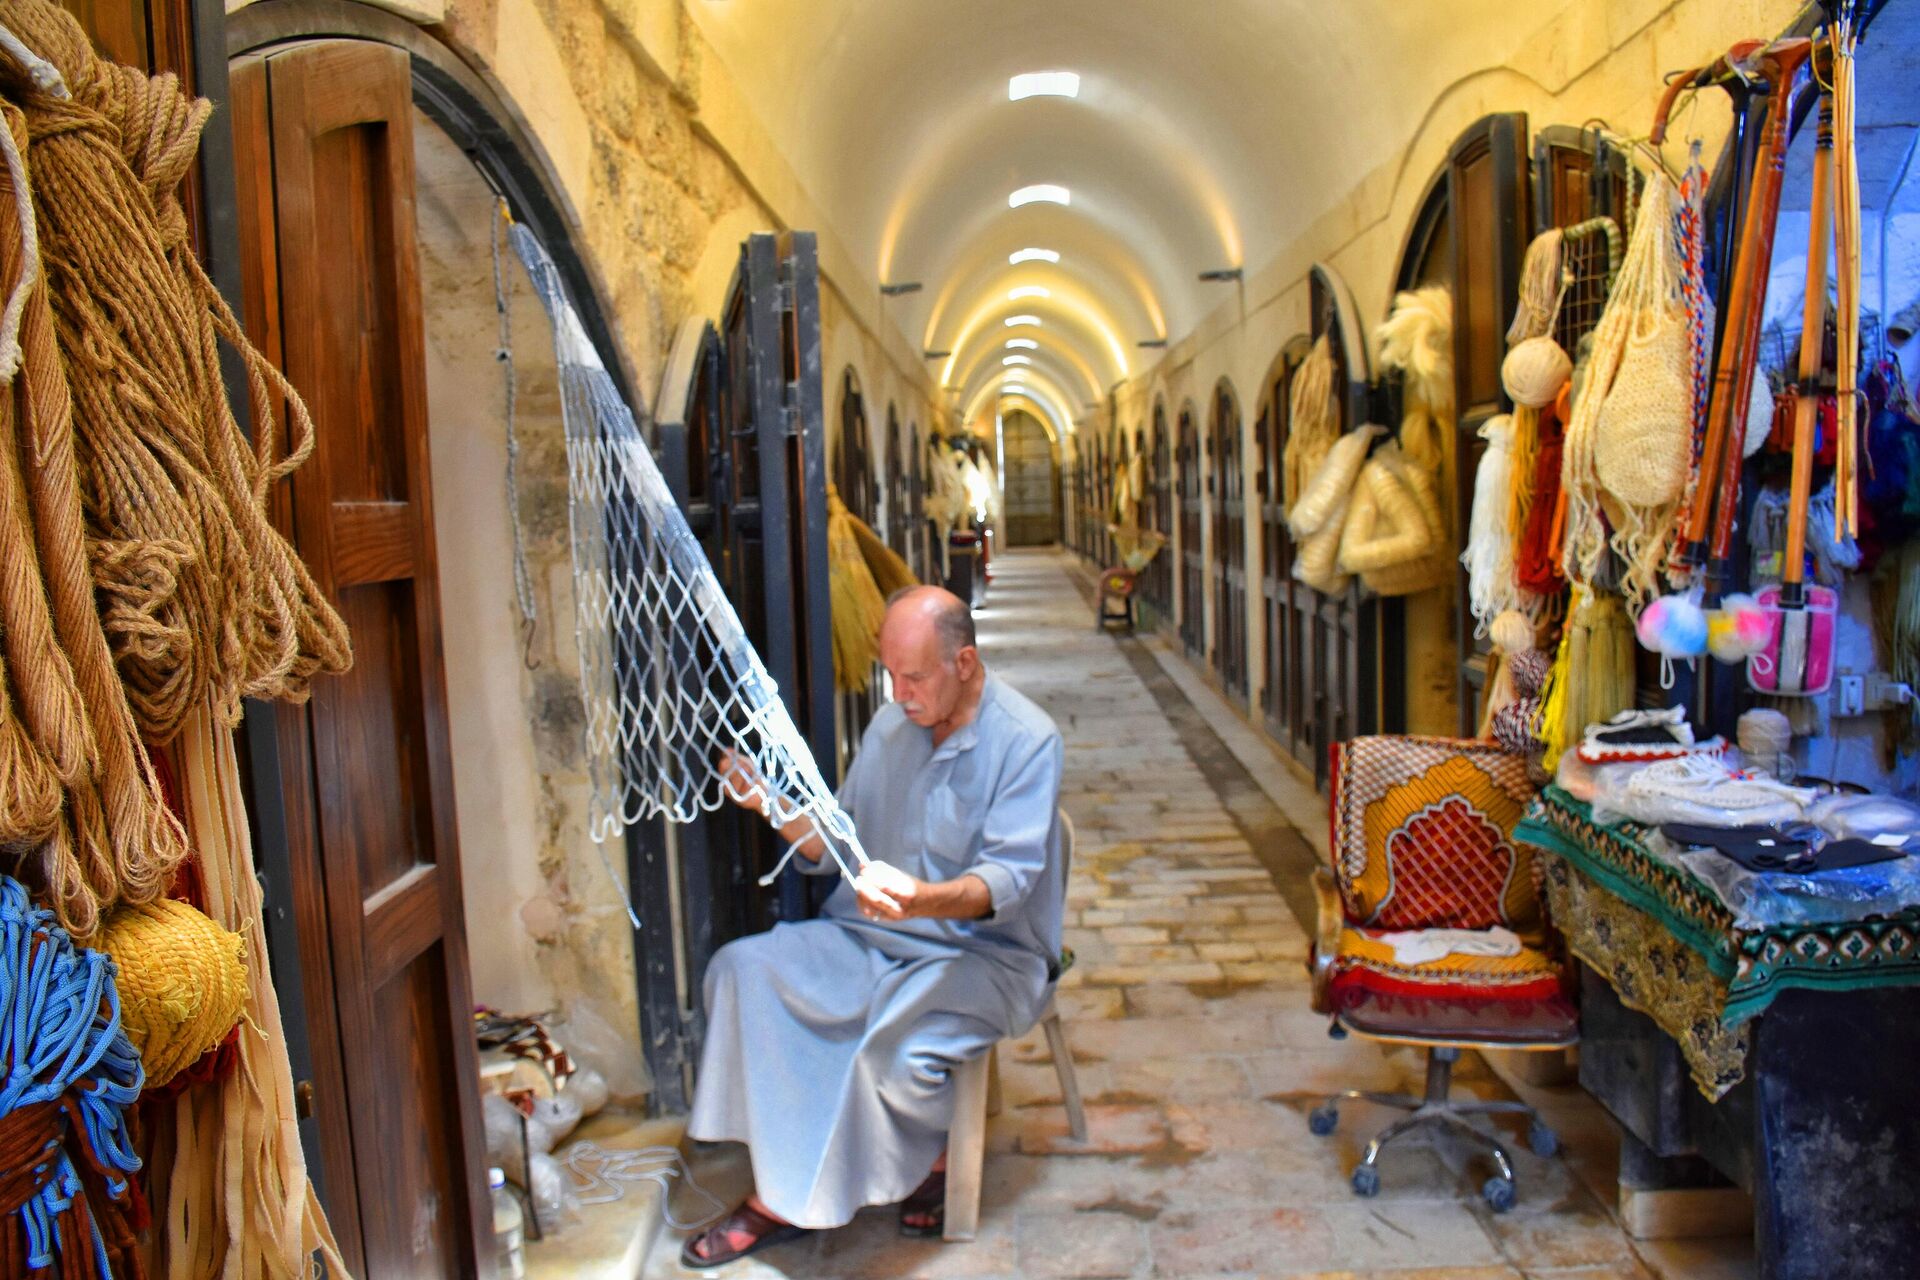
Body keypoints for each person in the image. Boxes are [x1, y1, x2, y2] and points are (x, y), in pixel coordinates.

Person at [680, 585, 1065, 1266]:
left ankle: (795, 1198)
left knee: (886, 1056)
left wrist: (920, 899)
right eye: (890, 673)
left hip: (985, 957)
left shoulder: (1027, 741)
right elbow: (836, 844)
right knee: (741, 971)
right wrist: (767, 801)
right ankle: (789, 1172)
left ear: (966, 663)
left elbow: (1003, 884)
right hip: (874, 939)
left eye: (915, 676)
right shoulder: (893, 727)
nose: (899, 692)